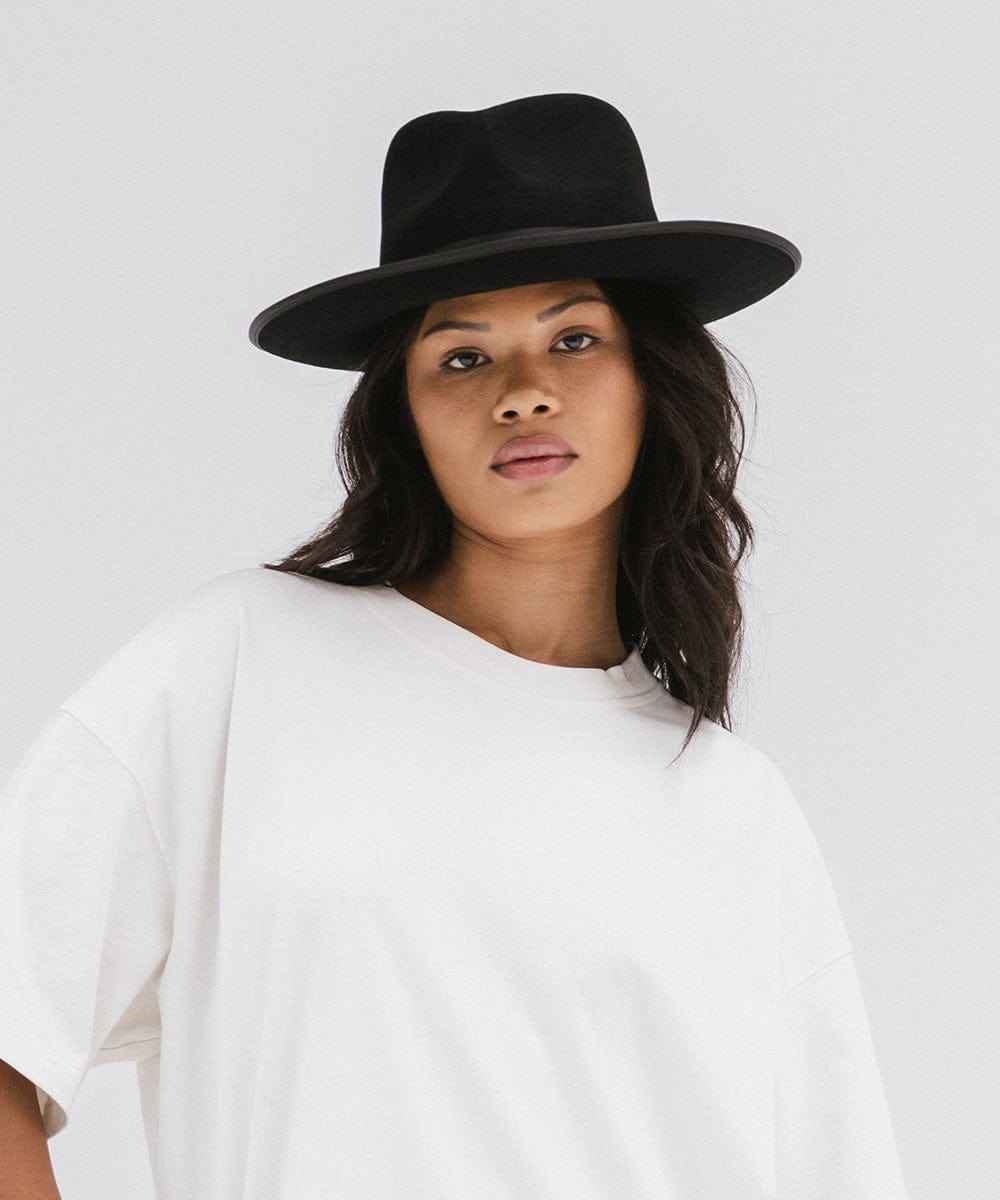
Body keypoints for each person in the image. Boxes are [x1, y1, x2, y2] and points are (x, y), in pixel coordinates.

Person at [0, 93, 911, 1198]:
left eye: (574, 339)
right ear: (405, 413)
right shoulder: (237, 666)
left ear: (652, 378)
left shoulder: (734, 806)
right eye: (463, 357)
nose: (524, 394)